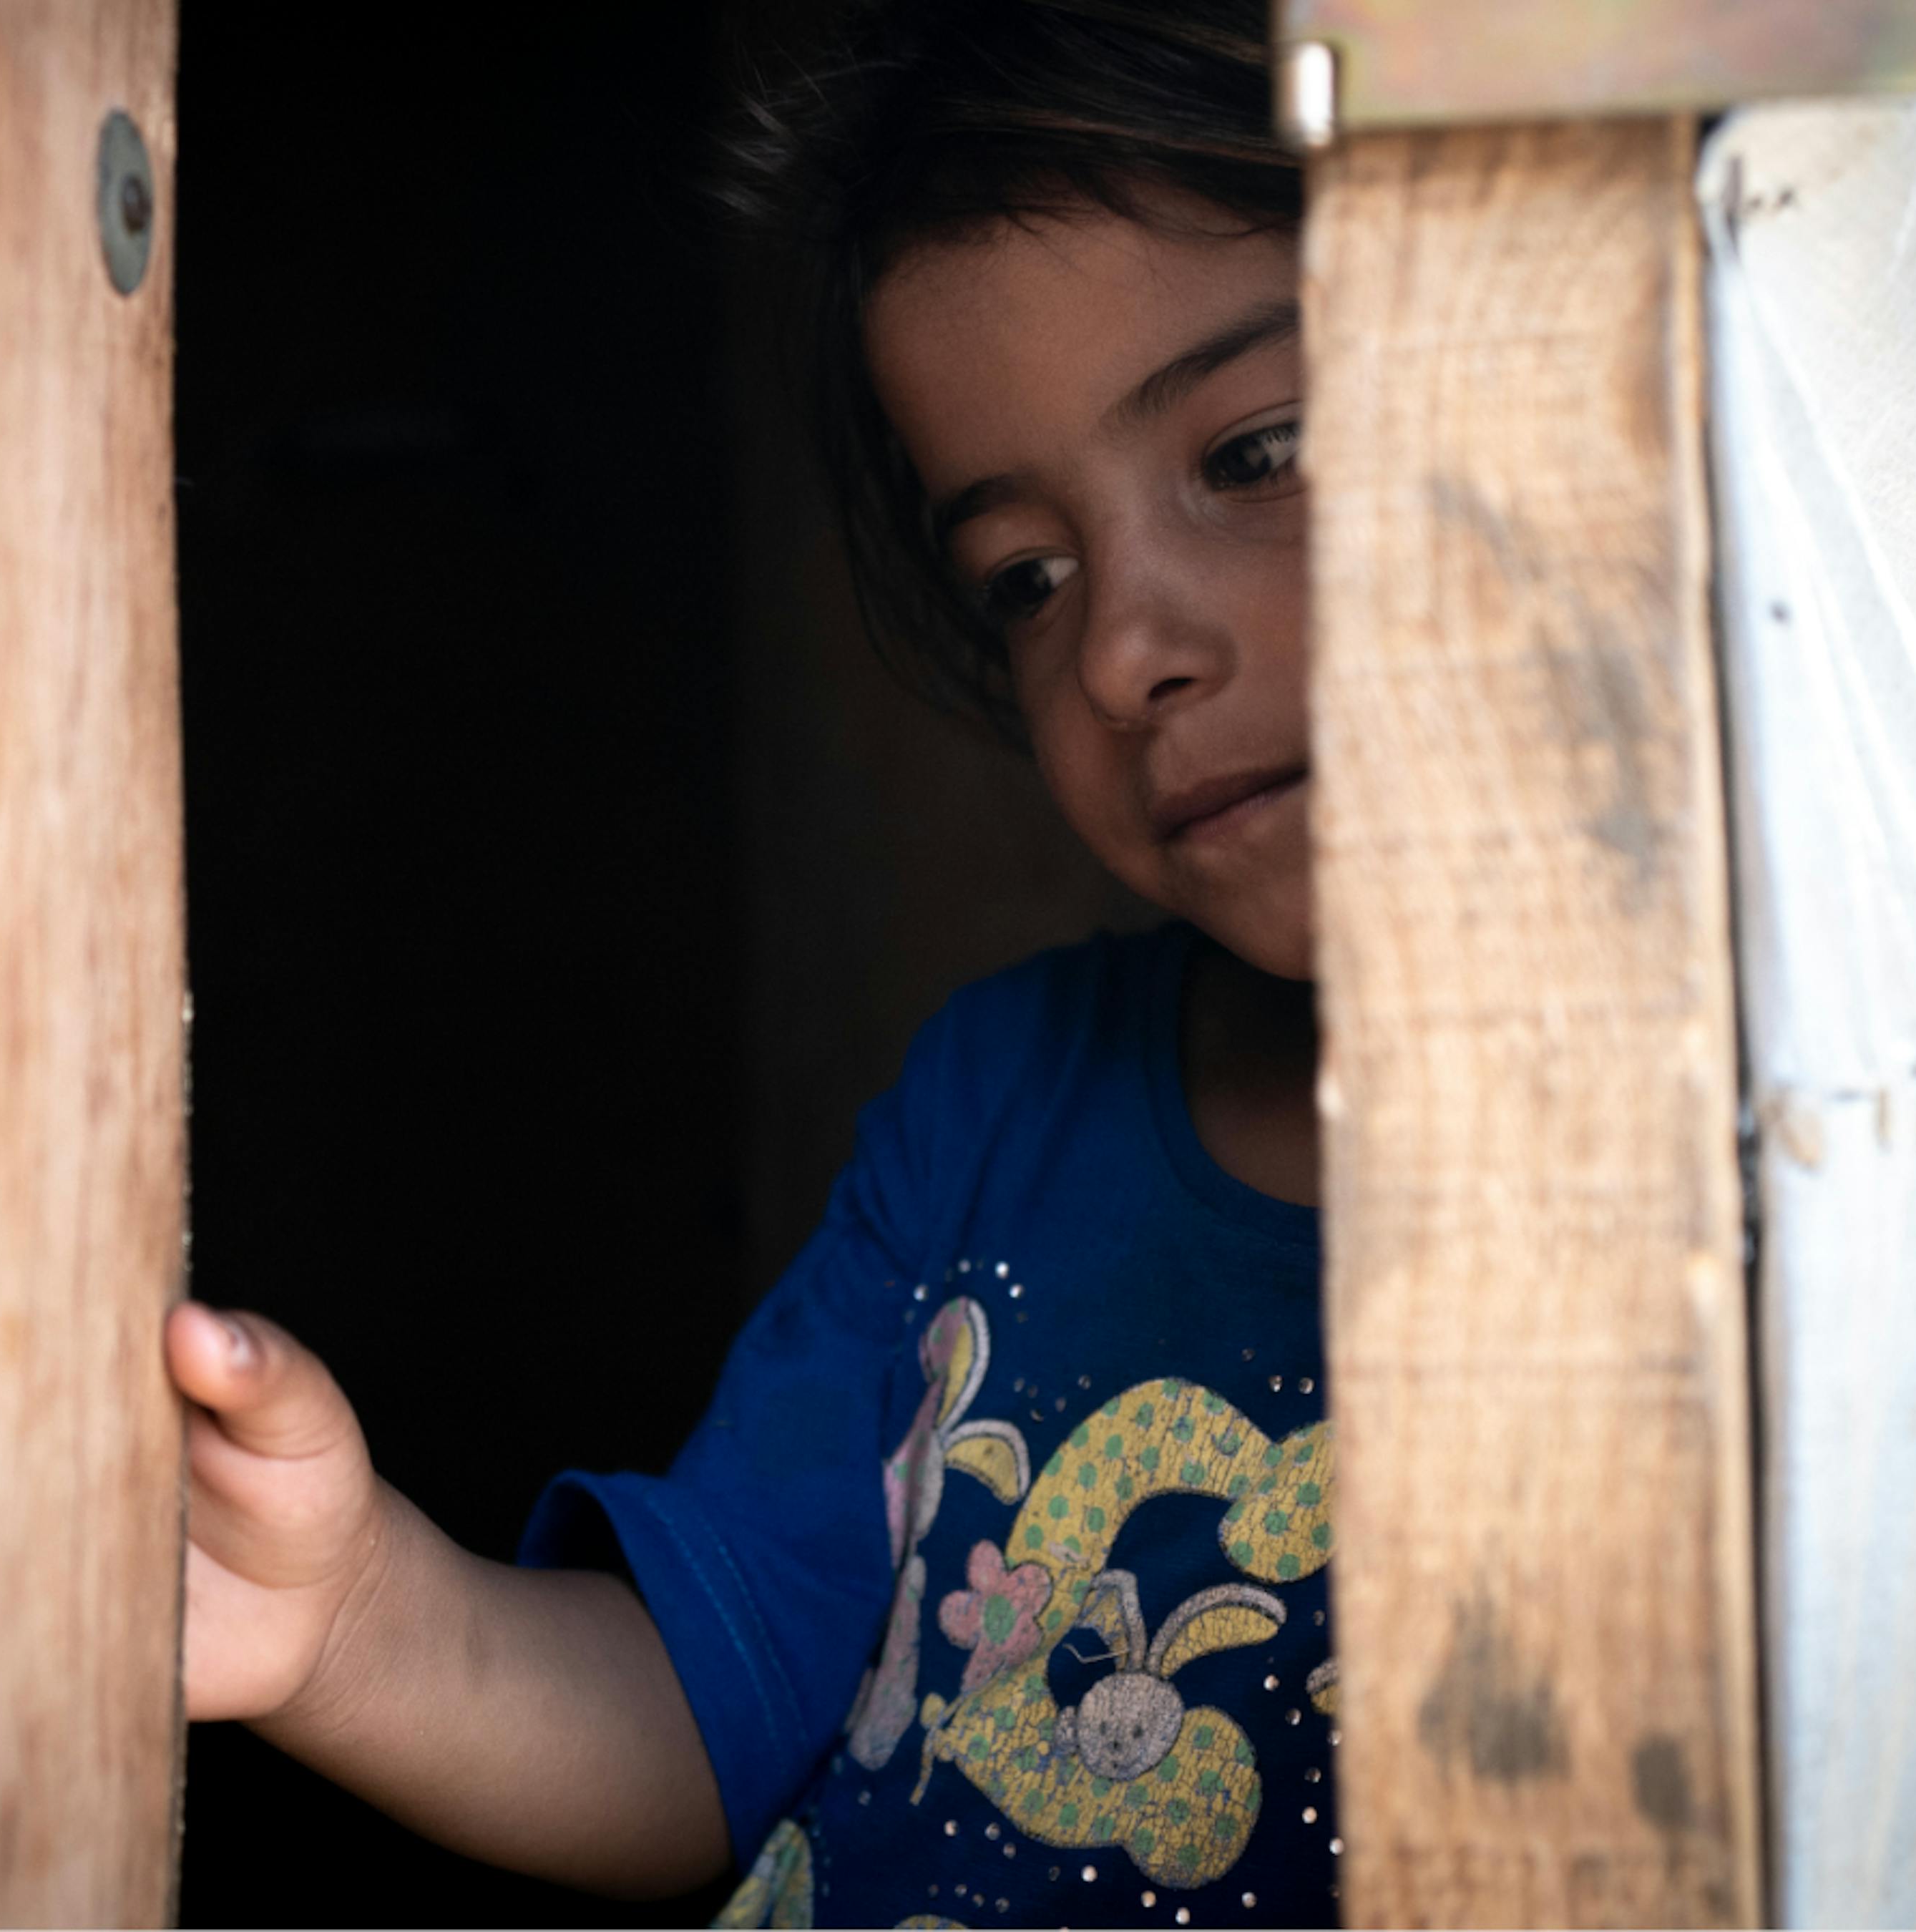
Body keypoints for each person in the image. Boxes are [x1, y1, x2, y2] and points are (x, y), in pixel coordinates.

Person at [165, 3, 1339, 1922]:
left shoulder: (1817, 1189)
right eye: (1027, 574)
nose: (1128, 645)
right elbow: (712, 1719)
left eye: (1254, 451)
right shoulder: (1000, 1108)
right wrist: (354, 1615)